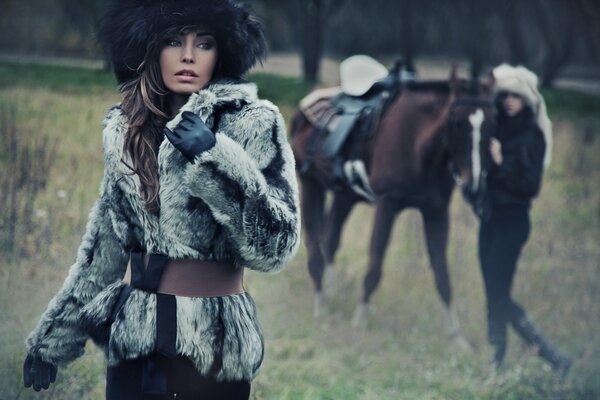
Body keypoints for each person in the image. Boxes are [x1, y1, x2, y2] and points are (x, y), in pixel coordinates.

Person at [22, 0, 300, 398]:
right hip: (135, 341)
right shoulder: (125, 131)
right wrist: (52, 340)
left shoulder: (252, 122)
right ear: (151, 48)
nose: (188, 56)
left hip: (213, 346)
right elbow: (102, 251)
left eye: (203, 43)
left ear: (221, 53)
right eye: (173, 41)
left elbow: (276, 247)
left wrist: (215, 158)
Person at [480, 64, 571, 375]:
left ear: (527, 101)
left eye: (515, 97)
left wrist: (501, 162)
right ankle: (498, 359)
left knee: (498, 292)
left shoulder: (533, 136)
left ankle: (550, 357)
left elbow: (530, 186)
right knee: (492, 292)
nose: (508, 101)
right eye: (504, 95)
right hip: (490, 218)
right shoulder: (494, 130)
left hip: (513, 220)